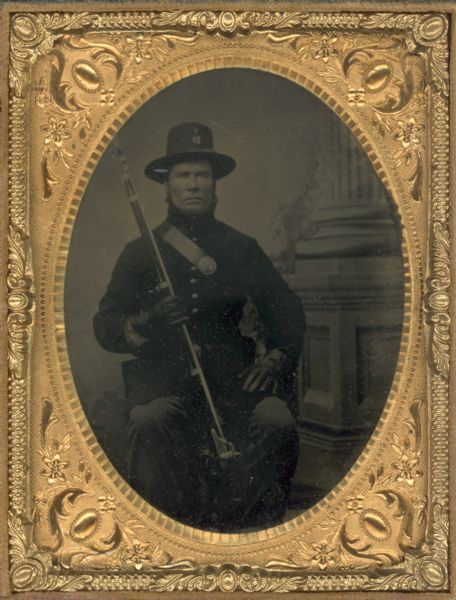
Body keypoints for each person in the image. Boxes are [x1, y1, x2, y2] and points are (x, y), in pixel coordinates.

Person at [93, 122, 305, 531]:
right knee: (151, 420)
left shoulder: (240, 247)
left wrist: (274, 361)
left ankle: (248, 534)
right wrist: (149, 318)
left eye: (202, 175)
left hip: (233, 382)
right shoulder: (139, 252)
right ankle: (176, 530)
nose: (194, 185)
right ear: (167, 186)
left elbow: (288, 311)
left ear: (214, 184)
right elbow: (105, 326)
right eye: (184, 175)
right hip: (164, 381)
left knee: (276, 419)